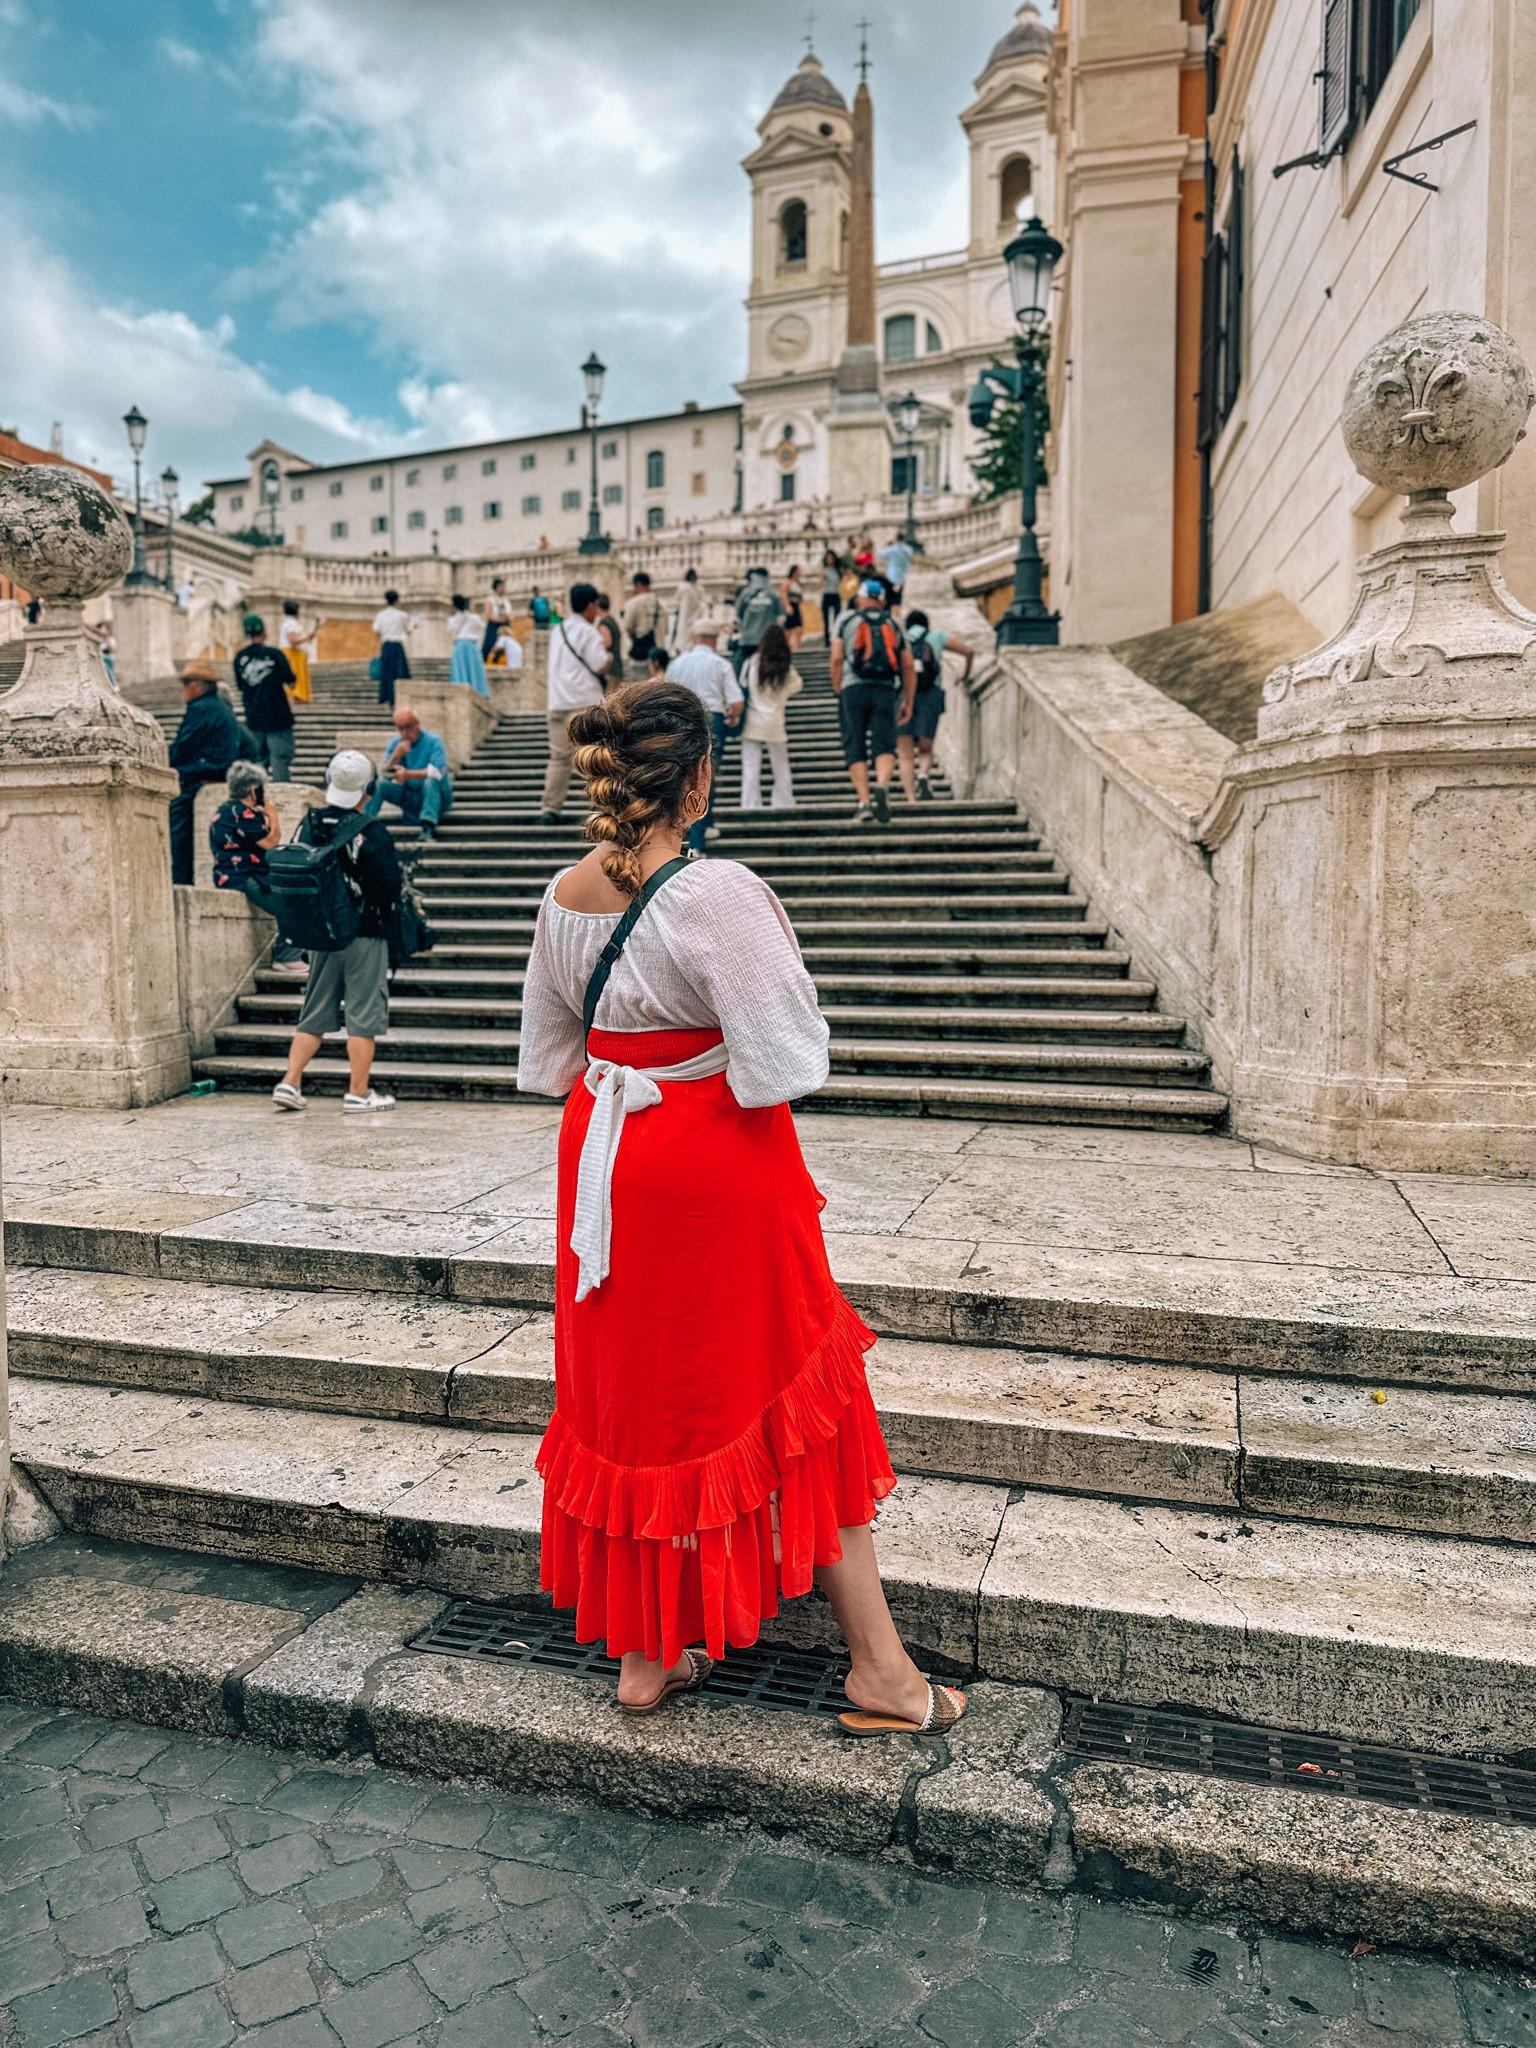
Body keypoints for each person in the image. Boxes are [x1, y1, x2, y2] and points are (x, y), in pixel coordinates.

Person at [513, 681, 965, 1736]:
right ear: (700, 778)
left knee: (636, 1403)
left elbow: (549, 1061)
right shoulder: (717, 890)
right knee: (803, 1394)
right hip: (711, 1164)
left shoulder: (563, 893)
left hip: (606, 1165)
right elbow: (783, 1064)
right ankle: (880, 1670)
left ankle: (646, 1654)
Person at [272, 749, 402, 1115]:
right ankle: (358, 1092)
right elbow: (389, 887)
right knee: (363, 1015)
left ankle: (290, 1082)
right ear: (368, 789)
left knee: (314, 1011)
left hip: (320, 933)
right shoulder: (372, 831)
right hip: (364, 933)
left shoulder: (310, 823)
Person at [830, 581, 915, 826]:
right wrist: (908, 700)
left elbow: (836, 658)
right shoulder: (895, 623)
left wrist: (838, 688)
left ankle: (865, 803)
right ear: (883, 600)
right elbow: (909, 664)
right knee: (884, 744)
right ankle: (883, 785)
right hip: (885, 689)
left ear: (860, 599)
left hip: (852, 688)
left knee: (854, 745)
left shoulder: (845, 620)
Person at [209, 760, 307, 973]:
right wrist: (273, 815)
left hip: (231, 874)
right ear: (254, 790)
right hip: (246, 876)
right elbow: (271, 843)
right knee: (293, 899)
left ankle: (291, 954)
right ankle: (286, 957)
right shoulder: (244, 813)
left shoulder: (225, 810)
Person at [666, 619, 742, 851]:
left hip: (681, 720)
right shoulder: (721, 664)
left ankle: (702, 826)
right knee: (705, 776)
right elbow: (736, 702)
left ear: (694, 638)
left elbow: (665, 696)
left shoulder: (677, 664)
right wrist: (733, 717)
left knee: (687, 777)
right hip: (712, 720)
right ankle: (698, 838)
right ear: (714, 640)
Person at [167, 660, 243, 885]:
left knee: (178, 834)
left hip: (202, 776)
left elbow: (183, 746)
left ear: (197, 686)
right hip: (214, 771)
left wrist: (168, 764)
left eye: (186, 684)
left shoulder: (202, 708)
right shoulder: (217, 707)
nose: (183, 690)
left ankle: (180, 880)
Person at [541, 582, 610, 825]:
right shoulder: (588, 632)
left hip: (557, 703)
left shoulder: (557, 630)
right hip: (583, 703)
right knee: (592, 757)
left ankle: (550, 808)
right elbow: (599, 664)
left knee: (559, 759)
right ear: (590, 606)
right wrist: (609, 655)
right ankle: (602, 806)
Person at [896, 609, 975, 802]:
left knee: (905, 755)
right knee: (925, 748)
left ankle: (911, 799)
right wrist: (964, 675)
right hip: (930, 694)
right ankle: (923, 774)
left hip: (902, 695)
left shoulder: (899, 637)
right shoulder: (936, 636)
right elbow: (969, 651)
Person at [739, 621, 801, 811]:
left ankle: (750, 804)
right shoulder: (785, 666)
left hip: (753, 722)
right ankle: (784, 802)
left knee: (751, 766)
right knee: (780, 765)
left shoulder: (751, 662)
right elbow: (797, 685)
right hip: (775, 722)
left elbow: (742, 684)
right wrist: (782, 694)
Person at [369, 706, 452, 841]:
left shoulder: (433, 741)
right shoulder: (396, 744)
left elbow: (437, 772)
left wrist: (408, 774)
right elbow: (385, 774)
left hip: (436, 796)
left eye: (408, 727)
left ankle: (428, 828)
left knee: (430, 781)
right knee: (380, 784)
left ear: (417, 724)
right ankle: (364, 824)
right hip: (410, 795)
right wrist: (396, 756)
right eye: (400, 728)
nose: (405, 732)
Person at [233, 616, 297, 786]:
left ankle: (256, 799)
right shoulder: (275, 655)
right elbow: (291, 681)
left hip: (254, 717)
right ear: (264, 631)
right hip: (279, 717)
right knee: (280, 762)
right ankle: (282, 798)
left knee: (257, 764)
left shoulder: (239, 658)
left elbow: (240, 686)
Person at [731, 567, 783, 678]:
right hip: (766, 641)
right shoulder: (773, 596)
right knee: (766, 670)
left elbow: (736, 619)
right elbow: (781, 619)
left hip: (747, 640)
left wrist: (736, 634)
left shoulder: (745, 594)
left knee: (741, 670)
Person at [372, 589, 412, 707]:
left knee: (387, 673)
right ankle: (399, 699)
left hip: (386, 646)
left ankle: (387, 699)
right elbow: (408, 630)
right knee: (399, 672)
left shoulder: (380, 615)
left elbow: (376, 630)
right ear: (396, 601)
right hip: (397, 646)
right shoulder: (402, 615)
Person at [448, 594, 490, 698]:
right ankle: (478, 692)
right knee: (474, 671)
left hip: (459, 645)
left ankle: (460, 693)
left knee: (460, 670)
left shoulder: (452, 619)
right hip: (471, 646)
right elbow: (482, 628)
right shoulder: (475, 618)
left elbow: (451, 630)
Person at [621, 572, 665, 666]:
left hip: (641, 657)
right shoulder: (662, 604)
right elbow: (666, 631)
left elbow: (628, 628)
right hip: (659, 657)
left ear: (638, 584)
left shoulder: (632, 603)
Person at [278, 599, 315, 704]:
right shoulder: (291, 623)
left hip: (293, 653)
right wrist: (307, 636)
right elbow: (293, 640)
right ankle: (294, 698)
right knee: (294, 679)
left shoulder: (287, 623)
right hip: (292, 654)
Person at [877, 535, 915, 609]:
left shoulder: (892, 549)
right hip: (901, 578)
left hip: (891, 577)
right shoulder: (908, 549)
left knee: (889, 598)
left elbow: (880, 553)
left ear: (895, 539)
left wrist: (885, 545)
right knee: (897, 600)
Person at [594, 592, 624, 687]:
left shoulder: (604, 623)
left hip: (610, 670)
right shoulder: (612, 621)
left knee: (609, 695)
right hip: (616, 668)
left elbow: (606, 644)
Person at [482, 577, 513, 661]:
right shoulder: (490, 600)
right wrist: (499, 620)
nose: (503, 588)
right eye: (501, 586)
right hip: (494, 626)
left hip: (505, 626)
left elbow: (509, 613)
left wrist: (508, 619)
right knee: (491, 646)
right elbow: (488, 614)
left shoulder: (506, 600)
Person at [672, 565, 702, 649]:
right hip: (690, 615)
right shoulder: (695, 588)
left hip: (687, 616)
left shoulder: (683, 587)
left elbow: (676, 601)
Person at [779, 564, 805, 653]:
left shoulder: (797, 583)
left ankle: (796, 648)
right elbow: (783, 594)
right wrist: (787, 606)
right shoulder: (787, 582)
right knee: (788, 630)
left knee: (799, 628)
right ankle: (784, 647)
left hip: (796, 605)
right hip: (790, 605)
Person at [820, 548, 844, 642]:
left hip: (836, 594)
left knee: (836, 617)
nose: (829, 560)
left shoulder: (838, 571)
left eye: (831, 558)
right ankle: (826, 638)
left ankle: (835, 637)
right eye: (828, 558)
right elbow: (820, 584)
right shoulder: (824, 570)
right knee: (826, 618)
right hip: (827, 594)